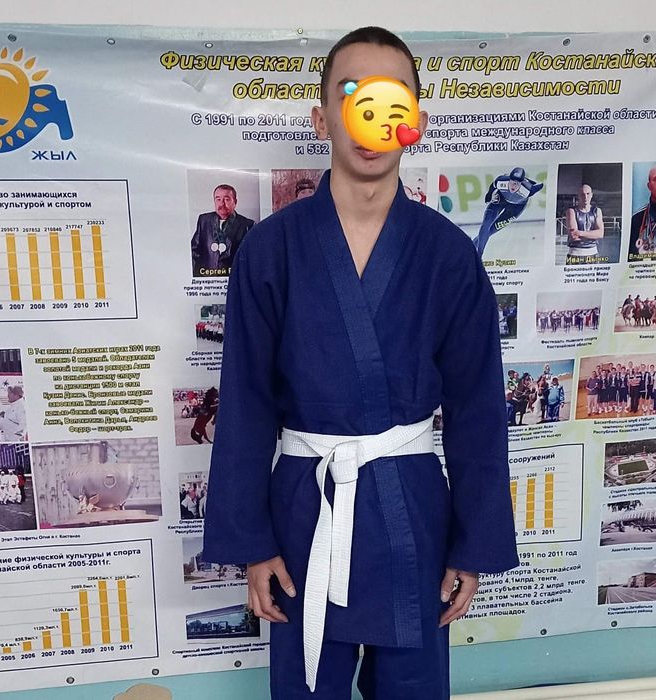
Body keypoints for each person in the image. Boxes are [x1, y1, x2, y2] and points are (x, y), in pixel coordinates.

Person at [202, 26, 518, 700]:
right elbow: (246, 403)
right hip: (305, 513)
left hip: (413, 514)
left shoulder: (447, 255)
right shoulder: (272, 250)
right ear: (322, 119)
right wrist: (253, 542)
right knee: (307, 685)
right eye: (351, 95)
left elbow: (477, 412)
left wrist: (472, 545)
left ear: (415, 122)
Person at [472, 167, 544, 256]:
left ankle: (472, 247)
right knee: (486, 224)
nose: (514, 186)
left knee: (491, 230)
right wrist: (489, 195)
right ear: (509, 179)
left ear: (521, 183)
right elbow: (493, 186)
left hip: (515, 208)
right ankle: (478, 255)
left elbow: (540, 185)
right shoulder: (501, 181)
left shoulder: (528, 190)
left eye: (517, 184)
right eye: (513, 182)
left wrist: (528, 181)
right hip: (500, 200)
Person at [191, 184, 255, 277]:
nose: (222, 204)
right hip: (207, 280)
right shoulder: (204, 220)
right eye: (218, 199)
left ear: (235, 202)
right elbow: (194, 251)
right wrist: (198, 278)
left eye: (227, 199)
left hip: (234, 279)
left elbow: (251, 258)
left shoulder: (248, 225)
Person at [565, 184, 604, 264]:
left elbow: (600, 234)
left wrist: (580, 233)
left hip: (593, 254)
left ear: (591, 195)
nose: (585, 197)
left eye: (588, 194)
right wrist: (593, 234)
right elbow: (574, 236)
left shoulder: (597, 211)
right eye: (582, 194)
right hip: (575, 254)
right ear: (578, 196)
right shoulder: (571, 211)